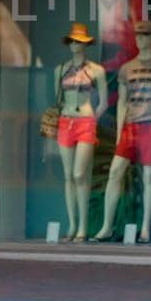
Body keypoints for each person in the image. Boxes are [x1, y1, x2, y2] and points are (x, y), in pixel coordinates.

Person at [95, 19, 151, 243]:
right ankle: (106, 226)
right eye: (138, 35)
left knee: (150, 175)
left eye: (145, 35)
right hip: (131, 125)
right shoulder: (127, 68)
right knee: (115, 172)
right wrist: (120, 129)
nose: (141, 39)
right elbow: (122, 101)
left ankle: (145, 229)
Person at [53, 22, 107, 242]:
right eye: (73, 41)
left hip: (85, 120)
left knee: (79, 174)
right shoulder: (60, 69)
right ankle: (72, 225)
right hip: (66, 121)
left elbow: (103, 102)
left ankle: (83, 227)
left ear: (85, 44)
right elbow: (57, 99)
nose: (76, 44)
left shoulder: (96, 70)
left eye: (80, 41)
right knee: (68, 175)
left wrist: (93, 118)